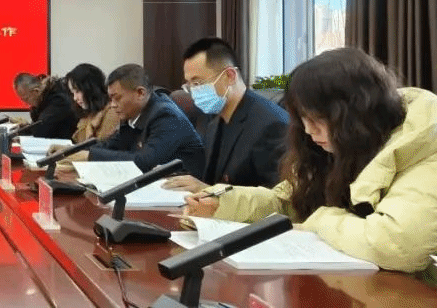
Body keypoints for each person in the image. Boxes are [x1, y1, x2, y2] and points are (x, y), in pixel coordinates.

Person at [185, 48, 437, 273]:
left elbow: (396, 244)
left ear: (355, 115)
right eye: (303, 119)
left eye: (317, 119)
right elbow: (288, 201)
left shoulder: (424, 142)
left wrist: (320, 220)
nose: (308, 130)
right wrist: (223, 203)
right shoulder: (336, 146)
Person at [163, 38, 289, 193]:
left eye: (198, 83)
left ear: (230, 76)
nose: (194, 92)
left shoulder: (271, 125)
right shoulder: (213, 121)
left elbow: (277, 199)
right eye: (189, 85)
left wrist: (209, 192)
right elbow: (211, 180)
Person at [58, 64, 204, 175]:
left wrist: (90, 156)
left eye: (117, 98)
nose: (112, 105)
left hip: (186, 190)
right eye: (110, 99)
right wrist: (72, 153)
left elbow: (145, 162)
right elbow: (112, 145)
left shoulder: (165, 115)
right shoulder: (132, 114)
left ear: (140, 93)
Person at [65, 63, 120, 143]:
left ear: (91, 88)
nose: (75, 98)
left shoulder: (112, 113)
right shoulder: (89, 114)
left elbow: (97, 147)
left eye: (77, 91)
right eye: (72, 93)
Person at [12, 73, 79, 139]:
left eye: (26, 99)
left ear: (36, 91)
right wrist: (27, 127)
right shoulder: (46, 99)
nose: (26, 104)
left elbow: (41, 131)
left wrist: (25, 129)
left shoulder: (58, 100)